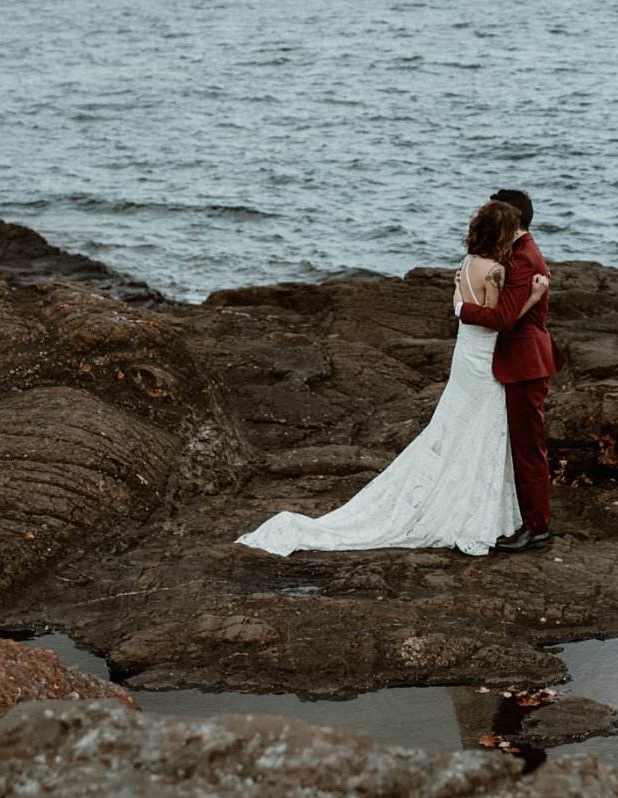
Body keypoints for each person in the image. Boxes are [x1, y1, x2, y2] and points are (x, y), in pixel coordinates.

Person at [235, 199, 550, 556]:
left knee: (457, 427)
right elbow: (502, 321)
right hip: (483, 359)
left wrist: (461, 307)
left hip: (467, 356)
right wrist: (533, 296)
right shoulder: (496, 270)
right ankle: (474, 503)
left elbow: (475, 310)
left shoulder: (465, 265)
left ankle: (472, 499)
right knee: (478, 431)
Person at [454, 188, 563, 552]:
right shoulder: (514, 253)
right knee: (517, 445)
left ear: (510, 217)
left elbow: (502, 318)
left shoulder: (523, 259)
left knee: (528, 449)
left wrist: (459, 309)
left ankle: (538, 529)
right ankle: (522, 519)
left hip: (525, 364)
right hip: (516, 361)